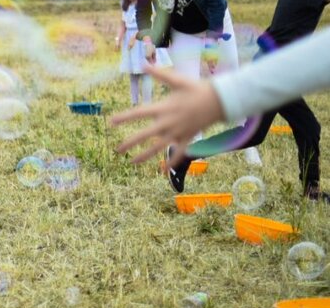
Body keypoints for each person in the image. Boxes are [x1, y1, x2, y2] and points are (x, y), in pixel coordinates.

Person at [163, 0, 330, 199]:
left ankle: (184, 155)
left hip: (275, 69)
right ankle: (311, 190)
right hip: (276, 72)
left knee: (274, 132)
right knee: (295, 128)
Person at [112, 28, 330, 205]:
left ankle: (311, 189)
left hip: (277, 69)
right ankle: (185, 153)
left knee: (302, 128)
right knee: (262, 132)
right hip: (277, 71)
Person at [124, 0, 262, 181]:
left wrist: (211, 43)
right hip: (182, 31)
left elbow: (215, 2)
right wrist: (148, 40)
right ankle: (195, 150)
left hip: (215, 23)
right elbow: (143, 11)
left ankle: (248, 144)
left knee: (230, 81)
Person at [117, 0, 165, 106]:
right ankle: (134, 102)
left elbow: (147, 23)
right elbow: (123, 25)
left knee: (145, 73)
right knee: (133, 74)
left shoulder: (145, 4)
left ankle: (147, 104)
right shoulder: (125, 6)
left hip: (142, 41)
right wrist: (118, 38)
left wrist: (135, 37)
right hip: (130, 45)